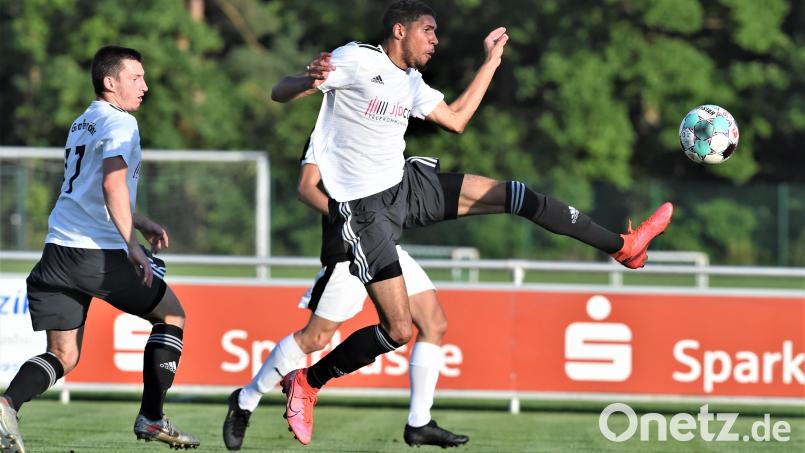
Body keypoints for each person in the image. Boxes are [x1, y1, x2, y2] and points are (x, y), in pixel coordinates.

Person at [270, 0, 673, 445]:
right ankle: (307, 383)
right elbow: (280, 91)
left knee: (517, 195)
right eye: (429, 30)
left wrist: (491, 62)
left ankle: (622, 245)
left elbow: (457, 120)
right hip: (365, 212)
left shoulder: (410, 81)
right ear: (400, 31)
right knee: (399, 330)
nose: (436, 40)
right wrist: (304, 79)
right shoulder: (355, 59)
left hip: (406, 186)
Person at [0, 46, 199, 451]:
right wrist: (132, 245)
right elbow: (111, 186)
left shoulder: (83, 122)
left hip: (57, 251)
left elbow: (92, 191)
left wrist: (139, 221)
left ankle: (7, 404)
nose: (144, 87)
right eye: (135, 78)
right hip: (96, 254)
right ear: (110, 82)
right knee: (172, 315)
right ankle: (153, 417)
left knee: (63, 356)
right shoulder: (122, 124)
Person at [222, 159, 468, 450]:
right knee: (315, 337)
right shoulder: (328, 127)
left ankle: (419, 422)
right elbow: (306, 188)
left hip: (386, 243)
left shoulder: (381, 120)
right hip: (350, 247)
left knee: (433, 324)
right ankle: (244, 401)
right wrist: (355, 219)